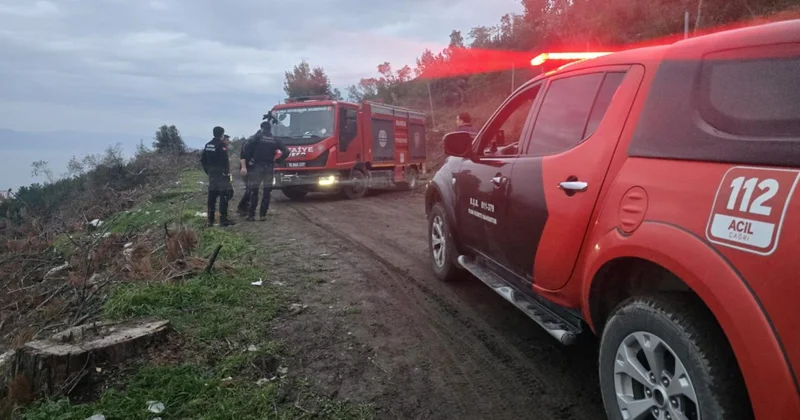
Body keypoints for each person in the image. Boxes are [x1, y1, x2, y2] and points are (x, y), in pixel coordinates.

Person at [240, 120, 289, 221]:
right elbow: (286, 151)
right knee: (267, 192)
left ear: (262, 128)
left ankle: (251, 215)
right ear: (270, 129)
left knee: (254, 191)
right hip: (269, 167)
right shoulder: (275, 140)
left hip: (257, 166)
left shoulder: (257, 137)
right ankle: (263, 215)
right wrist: (279, 160)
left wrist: (250, 160)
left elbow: (245, 146)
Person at [200, 126, 235, 227]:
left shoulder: (208, 145)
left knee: (211, 197)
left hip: (212, 175)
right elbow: (224, 161)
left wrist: (208, 171)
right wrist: (226, 173)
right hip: (221, 175)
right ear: (222, 134)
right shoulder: (221, 145)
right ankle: (223, 221)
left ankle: (210, 221)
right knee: (224, 197)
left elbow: (203, 160)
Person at [236, 129, 260, 217]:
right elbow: (243, 157)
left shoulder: (255, 143)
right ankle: (242, 207)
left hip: (252, 168)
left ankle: (245, 207)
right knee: (250, 189)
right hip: (246, 168)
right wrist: (244, 167)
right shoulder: (248, 144)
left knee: (250, 189)